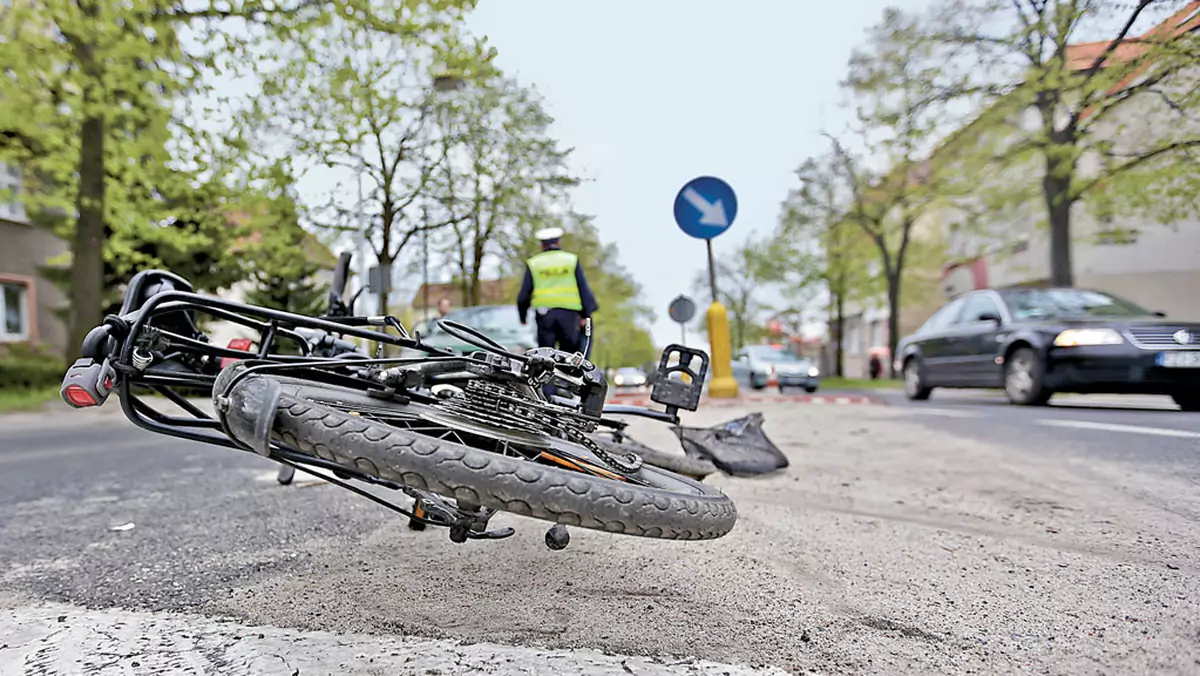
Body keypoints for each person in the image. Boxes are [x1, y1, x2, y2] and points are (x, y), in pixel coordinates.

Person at [517, 227, 598, 356]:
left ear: (542, 244)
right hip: (570, 314)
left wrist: (523, 316)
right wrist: (586, 314)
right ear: (558, 242)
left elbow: (524, 294)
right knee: (569, 354)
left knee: (546, 354)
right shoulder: (571, 260)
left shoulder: (534, 263)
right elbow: (582, 288)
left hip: (545, 315)